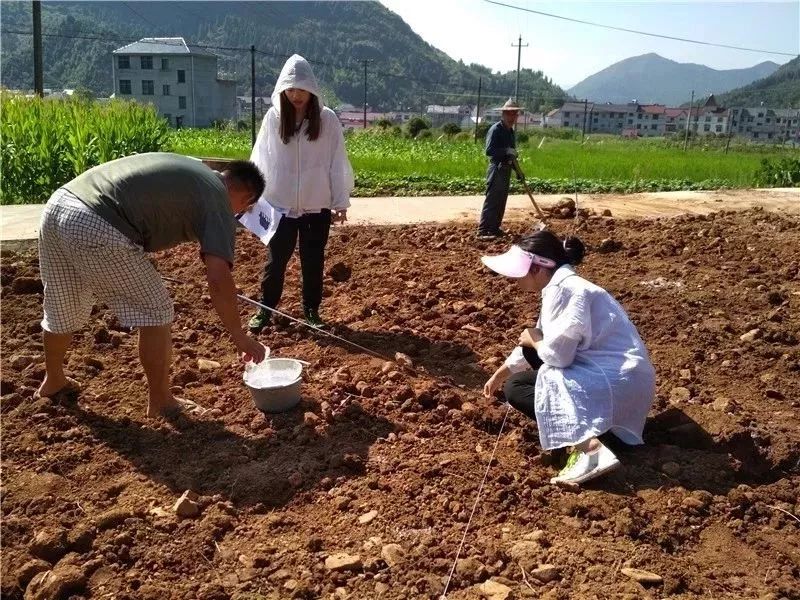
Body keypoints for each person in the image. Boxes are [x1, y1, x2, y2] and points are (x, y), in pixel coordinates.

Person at [36, 152, 268, 417]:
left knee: (63, 303)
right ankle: (161, 402)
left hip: (59, 206)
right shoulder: (217, 198)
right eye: (243, 210)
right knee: (156, 311)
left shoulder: (193, 171)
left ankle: (53, 380)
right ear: (247, 199)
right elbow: (218, 277)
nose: (237, 215)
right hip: (97, 223)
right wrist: (238, 335)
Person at [480, 230, 656, 485]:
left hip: (616, 382)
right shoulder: (560, 287)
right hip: (616, 379)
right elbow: (543, 339)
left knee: (518, 386)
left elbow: (557, 356)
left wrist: (533, 339)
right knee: (525, 375)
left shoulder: (568, 291)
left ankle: (590, 450)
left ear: (539, 268)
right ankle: (602, 433)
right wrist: (501, 373)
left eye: (520, 273)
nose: (515, 281)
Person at [248, 54, 354, 332]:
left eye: (302, 89)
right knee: (276, 261)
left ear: (312, 90)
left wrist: (340, 200)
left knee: (313, 261)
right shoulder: (274, 118)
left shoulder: (327, 119)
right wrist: (253, 195)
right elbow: (261, 158)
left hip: (315, 207)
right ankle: (266, 310)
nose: (296, 95)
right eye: (291, 89)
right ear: (283, 90)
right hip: (280, 206)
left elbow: (337, 161)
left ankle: (311, 311)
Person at [477, 98, 523, 241]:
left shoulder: (510, 132)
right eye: (509, 114)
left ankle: (494, 229)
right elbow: (489, 151)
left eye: (514, 114)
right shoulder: (496, 129)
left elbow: (512, 155)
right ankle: (483, 231)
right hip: (496, 169)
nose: (512, 117)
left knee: (501, 201)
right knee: (492, 200)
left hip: (506, 170)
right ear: (503, 114)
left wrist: (519, 172)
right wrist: (506, 150)